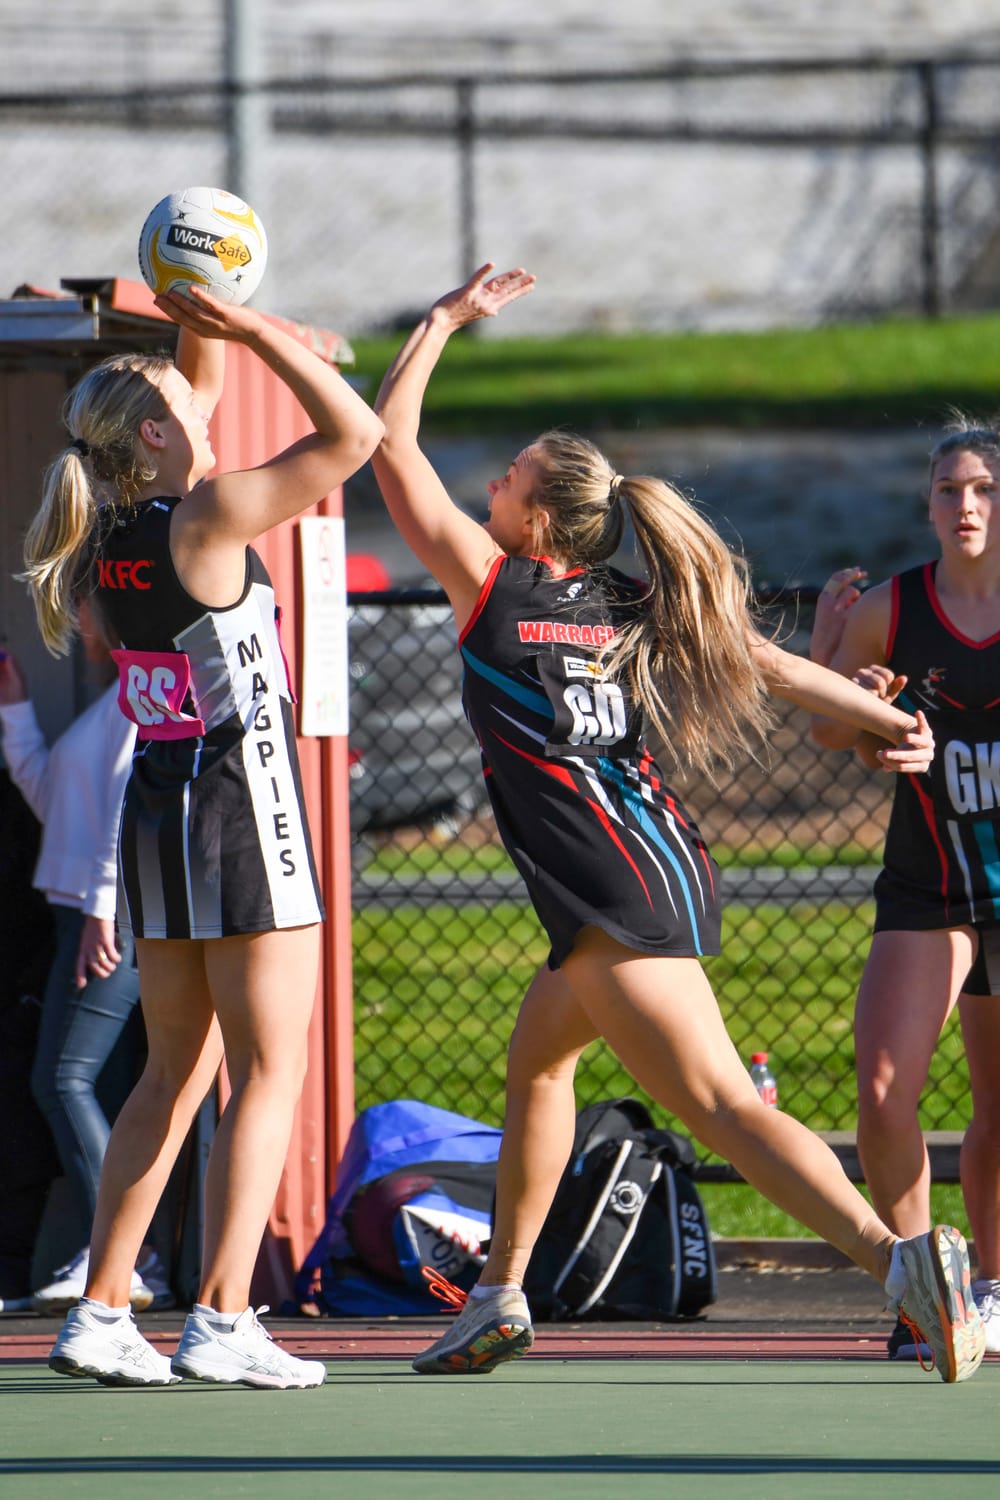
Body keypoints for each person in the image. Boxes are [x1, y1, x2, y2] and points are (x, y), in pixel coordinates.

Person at [369, 263, 985, 1383]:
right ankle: (500, 1295)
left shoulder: (496, 587)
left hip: (612, 891)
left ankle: (900, 1266)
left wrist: (439, 324)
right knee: (538, 1072)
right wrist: (878, 716)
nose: (486, 490)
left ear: (536, 516)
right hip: (645, 871)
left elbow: (391, 453)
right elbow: (773, 665)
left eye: (502, 479)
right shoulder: (625, 605)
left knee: (718, 1107)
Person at [20, 282, 383, 1388]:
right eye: (190, 402)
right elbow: (354, 435)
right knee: (268, 1073)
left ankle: (101, 1308)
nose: (212, 407)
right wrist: (268, 331)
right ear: (153, 434)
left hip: (158, 821)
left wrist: (205, 318)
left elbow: (196, 389)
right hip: (244, 815)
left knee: (169, 1078)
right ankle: (224, 1318)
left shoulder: (106, 540)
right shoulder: (209, 517)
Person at [809, 425, 1000, 1363]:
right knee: (885, 1092)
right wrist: (866, 703)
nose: (965, 507)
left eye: (984, 489)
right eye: (947, 490)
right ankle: (925, 1285)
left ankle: (993, 1289)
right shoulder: (893, 607)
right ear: (926, 504)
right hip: (929, 884)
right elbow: (829, 736)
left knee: (999, 1108)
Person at [0, 604, 172, 1315]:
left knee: (64, 1080)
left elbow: (131, 808)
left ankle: (128, 1258)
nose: (76, 619)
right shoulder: (109, 705)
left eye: (88, 608)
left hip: (113, 916)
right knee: (74, 1082)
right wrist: (15, 712)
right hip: (86, 910)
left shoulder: (137, 705)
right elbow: (58, 803)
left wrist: (104, 906)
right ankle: (122, 1257)